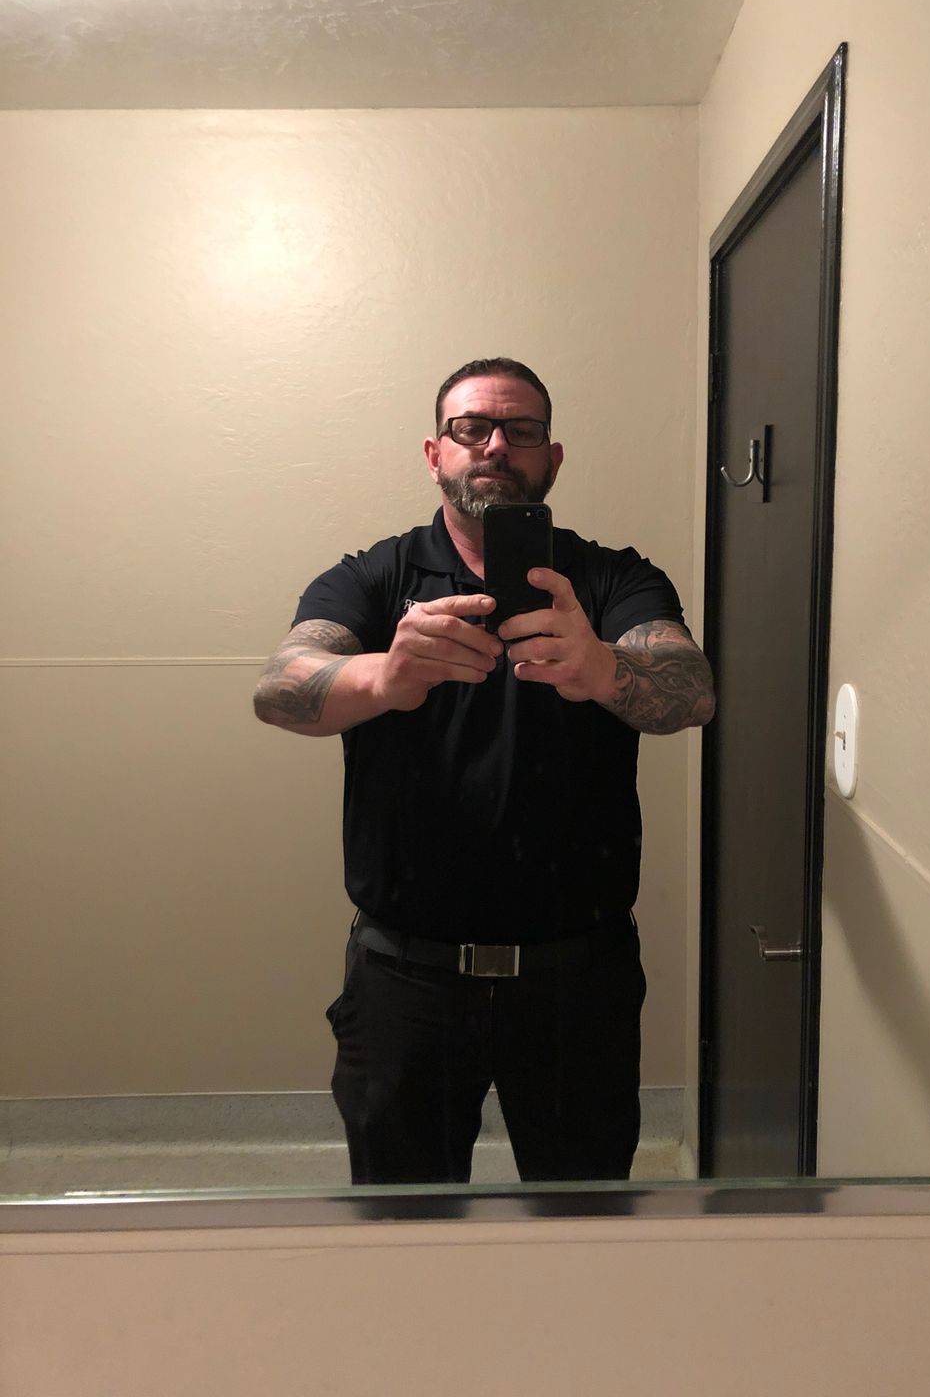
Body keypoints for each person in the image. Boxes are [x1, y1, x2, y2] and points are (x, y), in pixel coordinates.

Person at [254, 357, 714, 1184]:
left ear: (552, 459)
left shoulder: (611, 579)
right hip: (405, 977)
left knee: (582, 1218)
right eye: (472, 429)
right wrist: (384, 678)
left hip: (579, 977)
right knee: (406, 1221)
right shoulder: (375, 577)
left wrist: (601, 668)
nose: (496, 445)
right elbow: (281, 690)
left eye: (521, 430)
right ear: (436, 454)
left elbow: (691, 691)